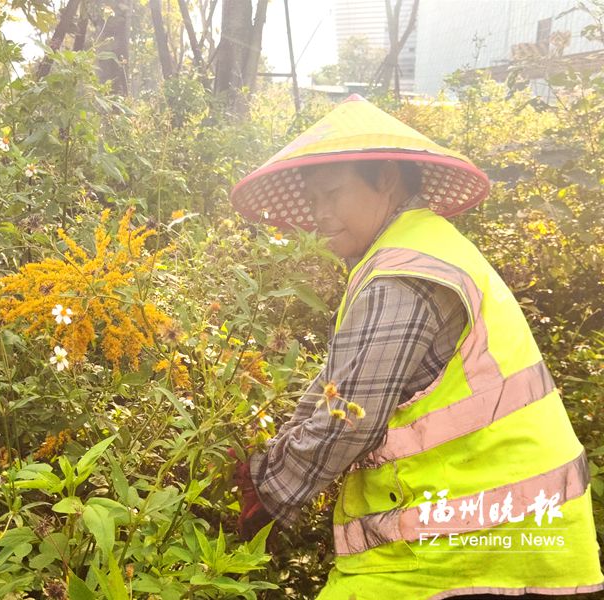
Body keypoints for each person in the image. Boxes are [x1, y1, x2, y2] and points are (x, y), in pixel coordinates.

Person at [228, 95, 604, 599]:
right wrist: (276, 456)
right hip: (505, 531)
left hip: (471, 539)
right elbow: (337, 388)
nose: (319, 214)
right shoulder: (422, 246)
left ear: (384, 177)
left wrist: (265, 490)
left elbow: (349, 420)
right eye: (312, 198)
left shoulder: (401, 278)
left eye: (332, 194)